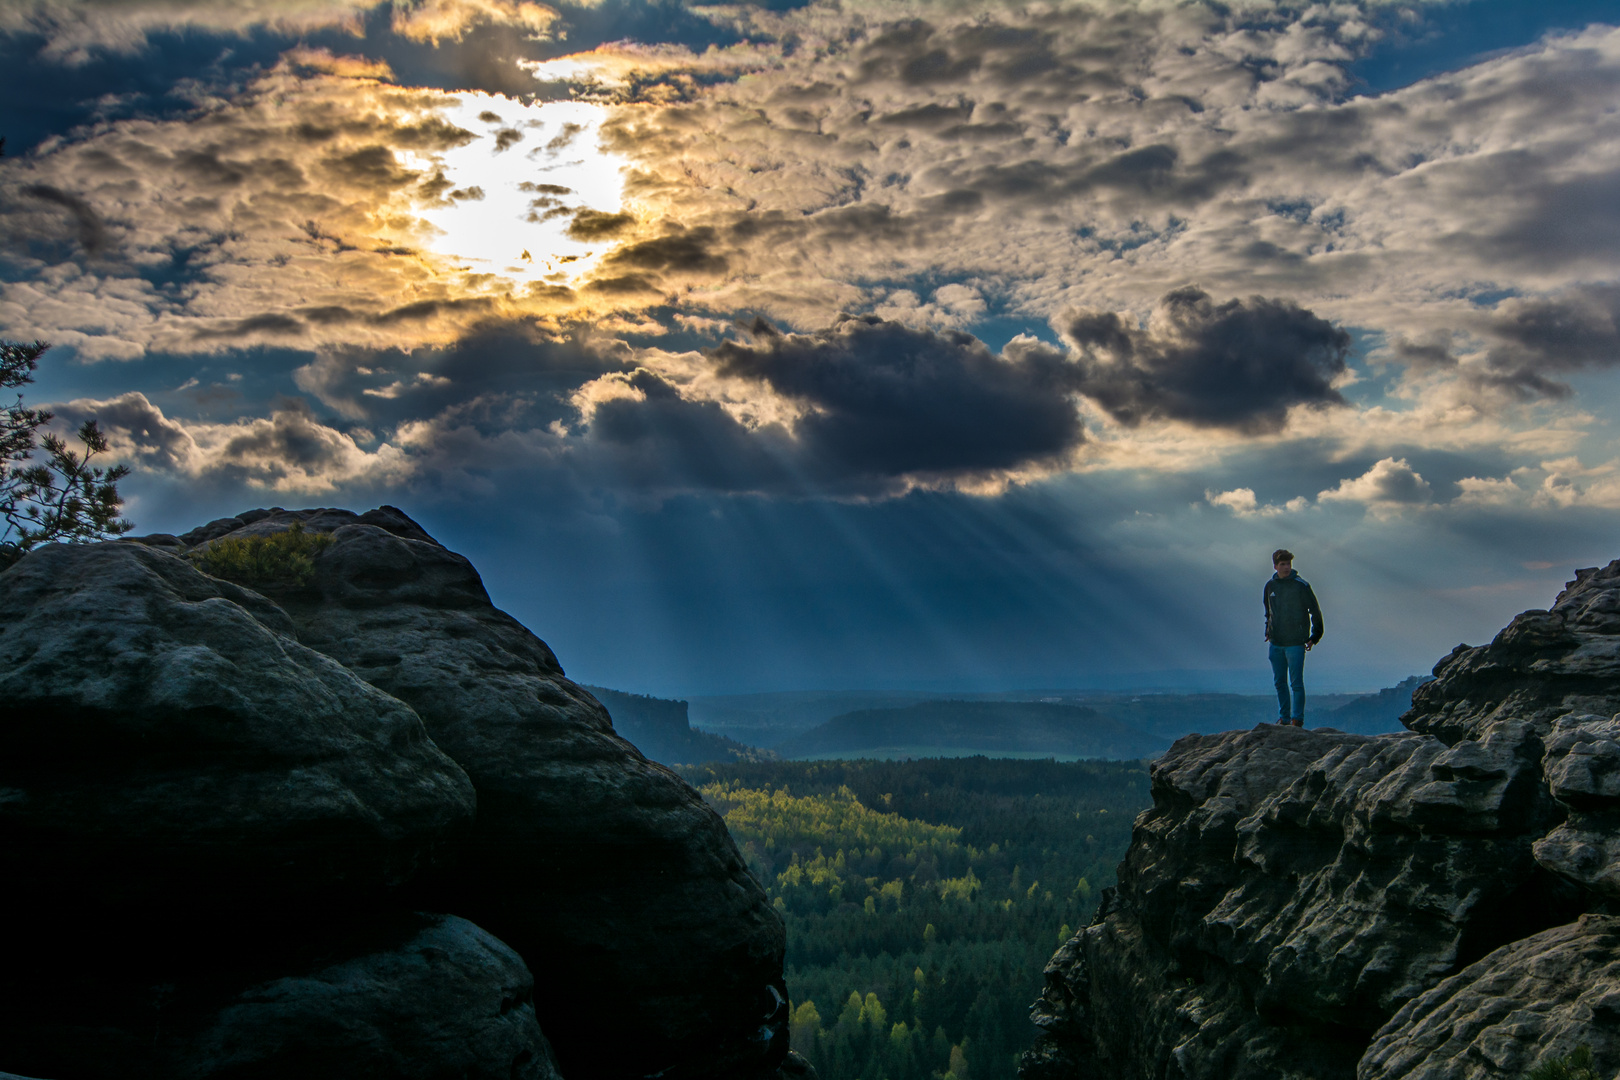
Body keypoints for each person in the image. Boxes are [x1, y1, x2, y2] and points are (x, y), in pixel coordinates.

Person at [1263, 548, 1323, 727]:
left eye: (1288, 564)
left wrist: (1315, 636)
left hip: (1296, 643)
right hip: (1276, 643)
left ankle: (1297, 720)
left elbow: (1315, 611)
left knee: (1296, 683)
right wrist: (1268, 630)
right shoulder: (1270, 587)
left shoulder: (1301, 586)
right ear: (1275, 566)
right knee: (1280, 682)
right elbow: (1269, 612)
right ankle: (1284, 718)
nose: (1286, 567)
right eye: (1282, 564)